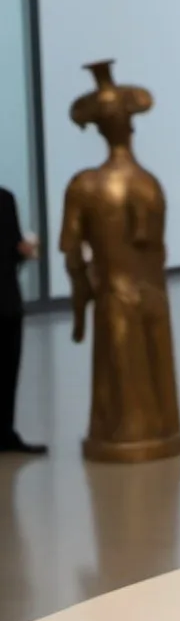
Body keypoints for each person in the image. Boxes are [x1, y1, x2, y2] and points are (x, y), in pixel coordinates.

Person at [0, 187, 46, 455]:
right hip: (6, 299)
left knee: (7, 370)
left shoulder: (6, 199)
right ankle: (5, 433)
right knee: (6, 370)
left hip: (6, 300)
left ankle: (5, 433)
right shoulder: (5, 199)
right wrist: (23, 251)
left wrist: (21, 251)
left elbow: (12, 249)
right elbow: (13, 249)